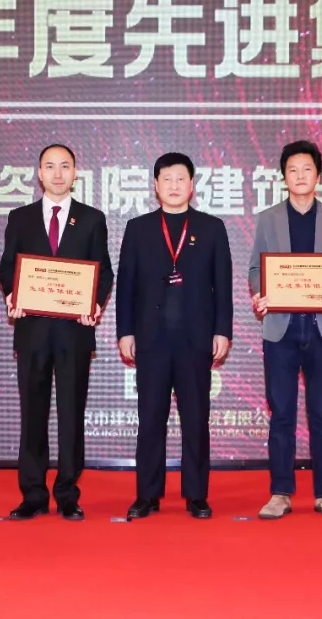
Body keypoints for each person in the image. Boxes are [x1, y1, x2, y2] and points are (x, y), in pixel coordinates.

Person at [0, 144, 113, 521]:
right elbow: (7, 267)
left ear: (75, 173)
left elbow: (103, 271)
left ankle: (67, 493)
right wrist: (13, 294)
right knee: (32, 414)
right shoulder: (21, 218)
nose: (58, 174)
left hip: (73, 333)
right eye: (50, 166)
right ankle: (33, 494)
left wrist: (93, 304)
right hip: (32, 331)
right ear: (39, 174)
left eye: (65, 166)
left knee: (70, 414)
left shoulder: (92, 219)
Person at [115, 152, 233, 520]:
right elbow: (126, 286)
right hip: (151, 339)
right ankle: (147, 494)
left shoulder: (212, 228)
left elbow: (223, 286)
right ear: (156, 185)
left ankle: (196, 495)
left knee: (196, 419)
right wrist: (125, 331)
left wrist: (223, 330)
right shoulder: (138, 229)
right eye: (167, 179)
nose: (174, 185)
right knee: (151, 418)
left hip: (196, 339)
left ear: (192, 185)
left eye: (181, 179)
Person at [248, 140, 322, 520]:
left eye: (307, 169)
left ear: (318, 176)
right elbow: (256, 268)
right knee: (281, 414)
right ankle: (280, 493)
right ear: (284, 177)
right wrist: (260, 293)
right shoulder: (268, 218)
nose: (299, 175)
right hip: (281, 330)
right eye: (292, 170)